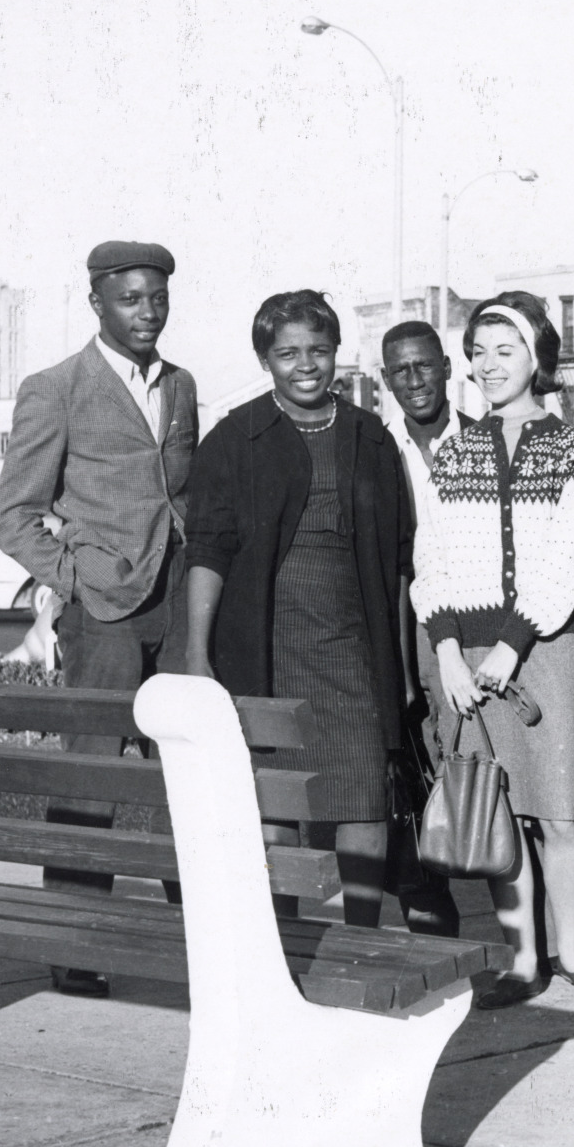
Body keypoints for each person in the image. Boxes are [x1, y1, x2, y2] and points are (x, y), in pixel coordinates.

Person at [0, 240, 197, 997]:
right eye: (130, 299)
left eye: (157, 297)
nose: (147, 312)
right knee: (92, 781)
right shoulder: (56, 388)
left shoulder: (182, 386)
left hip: (176, 613)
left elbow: (181, 497)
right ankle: (75, 944)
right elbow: (10, 516)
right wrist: (72, 580)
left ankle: (201, 943)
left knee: (188, 772)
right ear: (97, 303)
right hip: (101, 616)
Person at [182, 290, 414, 931]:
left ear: (337, 352)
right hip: (267, 646)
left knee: (364, 795)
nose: (305, 364)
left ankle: (359, 934)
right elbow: (207, 549)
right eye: (287, 353)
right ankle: (280, 943)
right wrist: (199, 658)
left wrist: (401, 669)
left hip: (351, 645)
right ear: (265, 359)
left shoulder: (369, 436)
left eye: (318, 350)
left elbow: (397, 561)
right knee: (276, 803)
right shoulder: (236, 437)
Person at [414, 293, 574, 1010]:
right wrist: (451, 654)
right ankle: (524, 957)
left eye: (506, 350)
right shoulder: (454, 451)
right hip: (468, 656)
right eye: (481, 352)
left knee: (558, 812)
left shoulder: (568, 446)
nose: (490, 366)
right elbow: (429, 562)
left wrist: (514, 645)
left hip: (544, 651)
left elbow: (569, 556)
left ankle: (573, 948)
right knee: (500, 812)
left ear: (536, 359)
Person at [378, 318, 472, 937]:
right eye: (400, 371)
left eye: (424, 366)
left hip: (479, 622)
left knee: (477, 757)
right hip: (409, 619)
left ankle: (524, 923)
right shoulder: (379, 448)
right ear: (387, 380)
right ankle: (425, 891)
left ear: (446, 366)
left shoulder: (485, 438)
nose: (415, 381)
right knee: (413, 755)